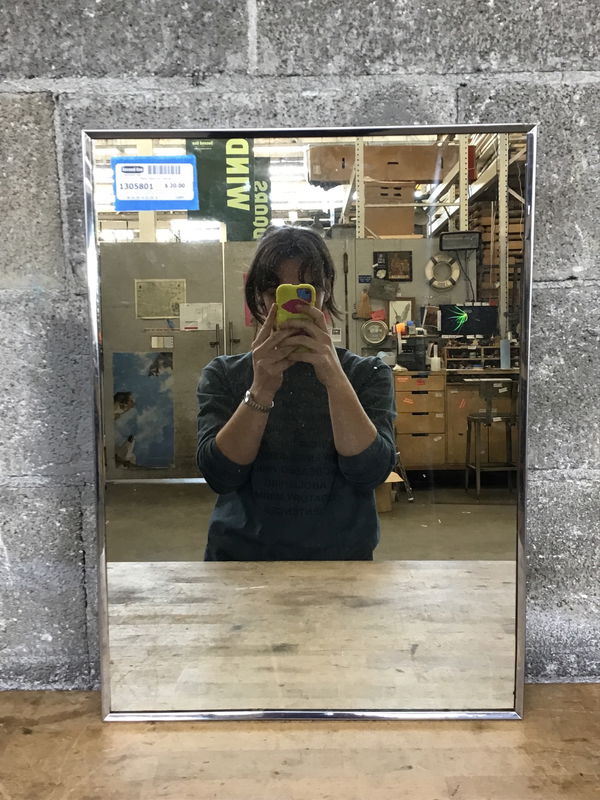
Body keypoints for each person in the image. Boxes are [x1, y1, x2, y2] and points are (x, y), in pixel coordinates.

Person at [196, 226, 396, 561]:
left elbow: (371, 473)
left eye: (305, 290)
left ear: (324, 293)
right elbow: (220, 476)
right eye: (276, 289)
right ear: (260, 297)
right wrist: (261, 388)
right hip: (240, 563)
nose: (291, 303)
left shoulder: (367, 374)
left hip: (342, 564)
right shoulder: (224, 375)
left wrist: (334, 378)